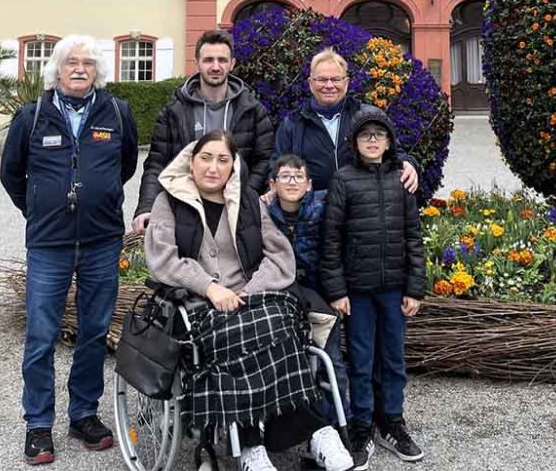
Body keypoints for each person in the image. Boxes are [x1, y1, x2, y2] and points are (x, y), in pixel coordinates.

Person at [144, 131, 353, 471]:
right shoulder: (168, 202)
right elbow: (162, 259)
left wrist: (248, 291)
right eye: (206, 158)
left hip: (253, 297)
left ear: (233, 166)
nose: (214, 167)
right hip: (200, 306)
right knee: (240, 333)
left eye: (223, 160)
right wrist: (210, 288)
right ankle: (273, 439)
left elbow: (280, 257)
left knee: (282, 322)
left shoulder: (249, 201)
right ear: (191, 162)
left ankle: (297, 435)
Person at [0, 35, 139, 465]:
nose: (79, 69)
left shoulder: (117, 112)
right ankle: (38, 424)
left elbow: (127, 164)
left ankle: (83, 414)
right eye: (71, 63)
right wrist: (40, 210)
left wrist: (100, 198)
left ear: (98, 72)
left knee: (94, 333)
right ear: (56, 71)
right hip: (49, 244)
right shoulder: (33, 115)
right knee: (41, 336)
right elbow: (11, 174)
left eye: (88, 64)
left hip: (101, 241)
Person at [320, 109, 426, 469]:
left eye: (379, 135)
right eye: (366, 135)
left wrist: (415, 288)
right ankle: (362, 426)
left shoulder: (401, 181)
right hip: (358, 290)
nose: (372, 141)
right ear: (355, 142)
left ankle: (392, 420)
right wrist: (337, 290)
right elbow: (331, 238)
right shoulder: (343, 180)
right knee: (361, 361)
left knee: (393, 359)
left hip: (395, 289)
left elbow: (414, 236)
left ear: (389, 142)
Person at [134, 29, 274, 231]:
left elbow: (264, 160)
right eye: (208, 60)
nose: (215, 66)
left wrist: (243, 196)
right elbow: (157, 162)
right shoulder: (175, 111)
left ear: (232, 64)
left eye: (222, 60)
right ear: (197, 62)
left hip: (237, 212)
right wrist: (146, 207)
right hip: (186, 209)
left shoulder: (251, 109)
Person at [263, 154, 350, 436]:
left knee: (330, 358)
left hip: (320, 294)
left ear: (310, 184)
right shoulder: (263, 214)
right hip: (281, 295)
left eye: (298, 177)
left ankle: (338, 422)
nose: (292, 182)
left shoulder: (323, 207)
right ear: (272, 184)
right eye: (285, 177)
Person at [270, 48, 419, 194]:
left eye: (336, 79)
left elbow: (396, 153)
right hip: (312, 213)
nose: (329, 85)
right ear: (310, 83)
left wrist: (408, 164)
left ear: (346, 83)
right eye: (322, 79)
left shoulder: (369, 117)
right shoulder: (293, 123)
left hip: (362, 210)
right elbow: (277, 167)